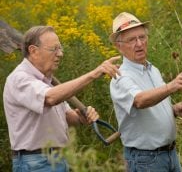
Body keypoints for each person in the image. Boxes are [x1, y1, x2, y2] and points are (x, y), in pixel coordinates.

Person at [3, 26, 120, 172]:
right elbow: (50, 98)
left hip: (58, 159)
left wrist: (81, 117)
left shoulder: (48, 82)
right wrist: (94, 73)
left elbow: (67, 117)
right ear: (33, 51)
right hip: (35, 163)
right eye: (54, 49)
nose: (61, 54)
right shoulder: (19, 79)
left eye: (60, 48)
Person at [109, 12, 182, 172]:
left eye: (142, 37)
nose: (139, 44)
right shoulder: (120, 77)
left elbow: (154, 105)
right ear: (119, 46)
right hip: (145, 160)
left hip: (170, 154)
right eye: (132, 40)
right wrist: (171, 86)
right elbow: (140, 100)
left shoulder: (153, 69)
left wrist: (174, 110)